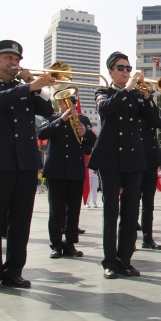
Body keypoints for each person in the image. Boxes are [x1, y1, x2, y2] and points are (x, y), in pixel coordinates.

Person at [0, 40, 55, 292]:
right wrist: (28, 86)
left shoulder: (26, 89)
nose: (14, 62)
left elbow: (47, 110)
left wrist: (37, 89)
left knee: (21, 221)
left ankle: (14, 270)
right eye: (8, 58)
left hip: (25, 163)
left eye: (16, 59)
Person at [87, 51, 159, 279]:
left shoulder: (138, 95)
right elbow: (105, 109)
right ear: (110, 71)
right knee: (111, 211)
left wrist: (147, 97)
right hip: (109, 158)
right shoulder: (103, 92)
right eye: (120, 68)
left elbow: (155, 120)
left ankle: (125, 259)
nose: (126, 72)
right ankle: (109, 261)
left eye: (128, 68)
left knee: (130, 211)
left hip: (134, 158)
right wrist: (128, 88)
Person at [37, 87, 96, 259]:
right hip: (56, 170)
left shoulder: (83, 119)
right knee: (56, 210)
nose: (68, 104)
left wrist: (85, 134)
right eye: (64, 101)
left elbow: (93, 142)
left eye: (71, 101)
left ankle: (70, 243)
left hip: (75, 169)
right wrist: (61, 120)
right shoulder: (52, 118)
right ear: (59, 103)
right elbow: (41, 133)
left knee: (73, 210)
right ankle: (56, 244)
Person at [139, 112, 161, 250]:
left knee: (148, 204)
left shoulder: (149, 112)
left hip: (151, 161)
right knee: (131, 203)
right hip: (135, 160)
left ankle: (147, 238)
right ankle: (129, 239)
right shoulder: (133, 110)